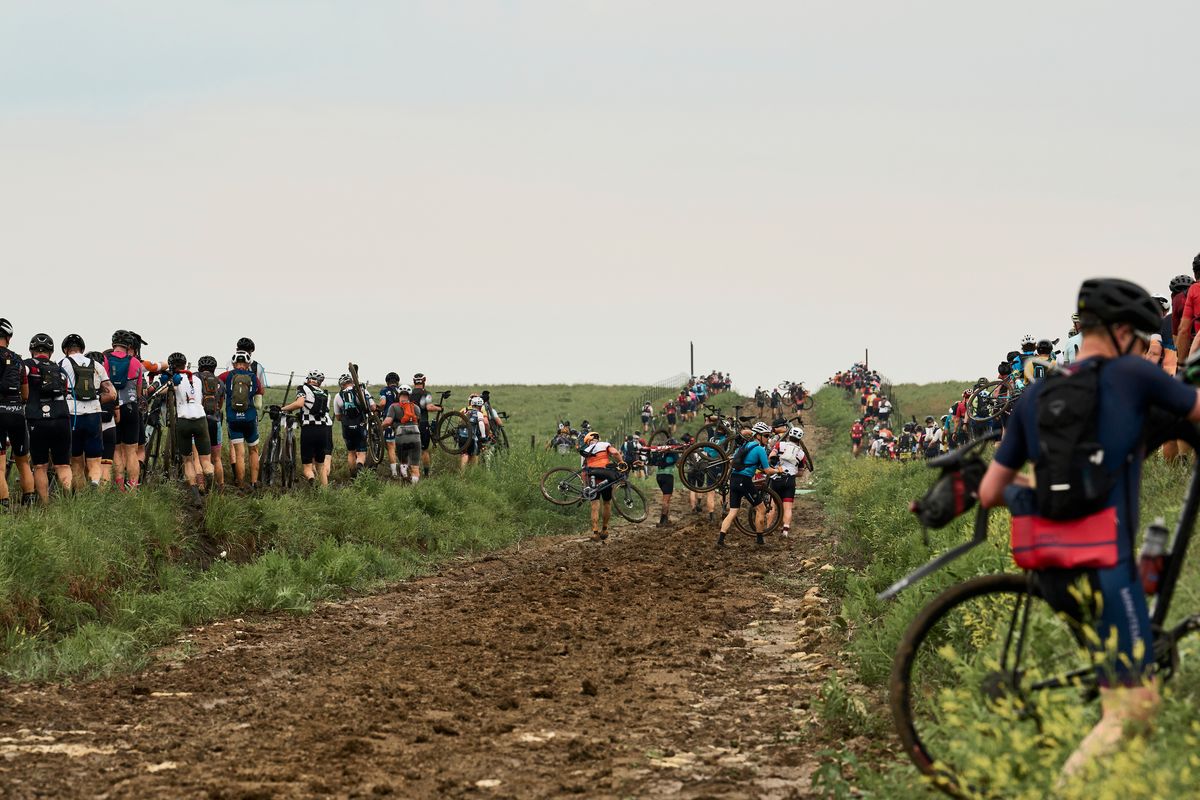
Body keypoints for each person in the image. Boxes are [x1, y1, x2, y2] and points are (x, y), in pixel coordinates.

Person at [978, 278, 1200, 777]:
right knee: (1134, 709)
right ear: (1122, 332)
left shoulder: (1038, 395)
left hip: (1052, 564)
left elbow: (991, 492)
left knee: (1120, 687)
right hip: (1109, 565)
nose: (1143, 346)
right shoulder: (1130, 376)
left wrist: (1033, 493)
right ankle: (1065, 786)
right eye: (1141, 338)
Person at [151, 352, 214, 496]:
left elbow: (162, 391)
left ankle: (195, 495)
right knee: (205, 459)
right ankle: (209, 477)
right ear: (185, 365)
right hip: (200, 419)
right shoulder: (197, 379)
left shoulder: (174, 380)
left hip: (183, 420)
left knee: (187, 460)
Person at [59, 334, 116, 488]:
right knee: (95, 459)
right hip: (93, 414)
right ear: (82, 349)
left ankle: (80, 497)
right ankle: (95, 482)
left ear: (65, 350)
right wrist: (96, 399)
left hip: (72, 415)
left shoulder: (62, 364)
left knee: (76, 461)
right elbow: (112, 394)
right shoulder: (97, 365)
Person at [24, 334, 72, 503]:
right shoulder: (59, 369)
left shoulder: (27, 366)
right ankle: (68, 503)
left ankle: (45, 505)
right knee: (63, 465)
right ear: (51, 352)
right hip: (61, 418)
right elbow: (65, 391)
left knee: (40, 466)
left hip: (37, 419)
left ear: (32, 351)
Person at [717, 421, 782, 547]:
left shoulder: (745, 446)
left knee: (733, 512)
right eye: (766, 436)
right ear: (758, 435)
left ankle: (720, 540)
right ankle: (760, 541)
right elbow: (767, 470)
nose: (768, 439)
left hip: (734, 479)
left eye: (769, 436)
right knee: (761, 509)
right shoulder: (759, 449)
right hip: (744, 480)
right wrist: (778, 470)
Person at [0, 318, 35, 508]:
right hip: (16, 413)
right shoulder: (18, 359)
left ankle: (3, 507)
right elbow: (26, 393)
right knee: (23, 462)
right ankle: (28, 503)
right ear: (9, 337)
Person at [104, 330, 145, 491]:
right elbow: (139, 391)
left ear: (113, 344)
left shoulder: (105, 360)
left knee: (116, 449)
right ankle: (132, 489)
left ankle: (120, 486)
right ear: (129, 346)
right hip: (131, 407)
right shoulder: (136, 363)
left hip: (113, 408)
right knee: (131, 451)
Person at [280, 370, 333, 487]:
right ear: (320, 382)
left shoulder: (303, 388)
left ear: (309, 379)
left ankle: (311, 479)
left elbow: (299, 403)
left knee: (307, 467)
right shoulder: (325, 394)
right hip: (323, 431)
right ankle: (325, 493)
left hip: (309, 430)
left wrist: (283, 409)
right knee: (321, 466)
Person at [220, 351, 262, 488]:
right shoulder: (253, 377)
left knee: (239, 454)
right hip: (249, 417)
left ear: (233, 364)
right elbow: (260, 394)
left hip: (233, 418)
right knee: (253, 450)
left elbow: (214, 382)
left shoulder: (227, 376)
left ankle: (241, 484)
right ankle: (254, 483)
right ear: (248, 364)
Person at [578, 431, 626, 541]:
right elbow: (615, 453)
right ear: (598, 438)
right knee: (607, 503)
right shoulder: (604, 444)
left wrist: (585, 485)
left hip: (592, 476)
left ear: (587, 441)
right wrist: (621, 462)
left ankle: (595, 532)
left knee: (594, 505)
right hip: (605, 475)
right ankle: (604, 529)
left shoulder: (585, 450)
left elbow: (583, 470)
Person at [769, 426, 809, 538]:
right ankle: (785, 530)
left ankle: (767, 527)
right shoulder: (801, 454)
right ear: (799, 439)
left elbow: (771, 457)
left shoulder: (779, 444)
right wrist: (792, 472)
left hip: (776, 477)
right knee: (788, 507)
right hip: (789, 480)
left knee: (772, 505)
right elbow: (800, 473)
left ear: (789, 435)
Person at [379, 384, 423, 483]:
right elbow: (418, 421)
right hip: (415, 436)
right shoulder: (416, 408)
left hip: (401, 436)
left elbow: (387, 422)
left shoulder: (393, 407)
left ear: (398, 395)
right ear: (409, 396)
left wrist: (380, 428)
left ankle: (404, 477)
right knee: (415, 466)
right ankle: (413, 487)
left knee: (403, 461)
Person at [334, 373, 371, 478]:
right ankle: (360, 466)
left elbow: (337, 417)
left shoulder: (338, 396)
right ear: (352, 382)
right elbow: (372, 406)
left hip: (346, 427)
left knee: (351, 452)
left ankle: (353, 476)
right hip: (360, 424)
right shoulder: (361, 391)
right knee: (361, 452)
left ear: (341, 385)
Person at [196, 356, 226, 487]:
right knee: (217, 458)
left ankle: (201, 485)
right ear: (214, 369)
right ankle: (220, 487)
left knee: (197, 456)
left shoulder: (195, 378)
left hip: (199, 421)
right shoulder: (220, 382)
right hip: (215, 421)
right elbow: (220, 404)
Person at [410, 373, 442, 474]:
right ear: (424, 380)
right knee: (424, 450)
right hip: (422, 423)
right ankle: (426, 473)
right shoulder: (426, 393)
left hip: (410, 423)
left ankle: (412, 473)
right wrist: (440, 408)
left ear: (414, 381)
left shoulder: (409, 393)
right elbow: (429, 407)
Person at [650, 439, 681, 527]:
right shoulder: (674, 452)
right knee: (666, 500)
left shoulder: (660, 451)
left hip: (659, 476)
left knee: (665, 498)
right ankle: (662, 521)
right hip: (668, 476)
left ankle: (666, 519)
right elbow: (679, 464)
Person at [379, 373, 403, 479]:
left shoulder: (384, 390)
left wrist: (379, 408)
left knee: (391, 447)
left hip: (389, 420)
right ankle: (404, 471)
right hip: (402, 421)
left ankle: (394, 473)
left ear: (387, 382)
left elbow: (383, 403)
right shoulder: (402, 390)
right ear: (397, 381)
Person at [459, 394, 489, 469]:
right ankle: (472, 473)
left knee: (464, 454)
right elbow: (482, 424)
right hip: (471, 438)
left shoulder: (465, 412)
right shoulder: (479, 413)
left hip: (462, 437)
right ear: (480, 406)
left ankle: (462, 473)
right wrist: (483, 436)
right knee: (473, 454)